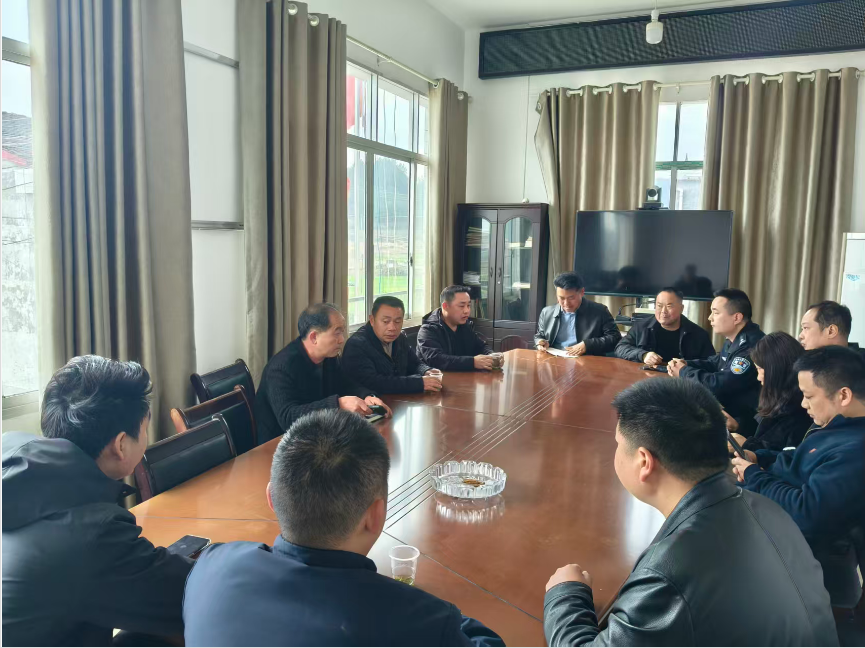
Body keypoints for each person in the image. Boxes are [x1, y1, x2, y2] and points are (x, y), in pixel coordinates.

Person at [543, 379, 837, 646]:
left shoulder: (669, 573)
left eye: (618, 444)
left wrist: (566, 594)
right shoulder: (768, 508)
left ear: (644, 462)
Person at [182, 409, 505, 647]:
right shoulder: (414, 621)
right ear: (376, 515)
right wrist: (438, 615)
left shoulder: (210, 564)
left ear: (271, 498)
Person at [2, 356, 193, 646]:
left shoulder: (14, 464)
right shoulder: (93, 532)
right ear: (120, 444)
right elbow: (189, 596)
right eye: (144, 429)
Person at [733, 346, 865, 611]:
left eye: (809, 396)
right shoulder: (833, 424)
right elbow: (797, 459)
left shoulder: (855, 450)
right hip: (774, 524)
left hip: (806, 564)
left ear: (843, 395)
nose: (803, 404)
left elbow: (807, 513)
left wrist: (754, 476)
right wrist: (758, 458)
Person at [254, 302, 392, 443]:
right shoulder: (281, 367)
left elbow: (346, 384)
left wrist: (367, 397)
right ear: (314, 337)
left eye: (342, 332)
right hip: (280, 446)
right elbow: (288, 418)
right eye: (337, 333)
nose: (342, 339)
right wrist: (338, 404)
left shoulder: (329, 357)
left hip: (319, 437)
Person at [668, 288, 765, 436]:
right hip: (727, 410)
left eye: (716, 313)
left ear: (737, 317)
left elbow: (719, 385)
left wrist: (683, 371)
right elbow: (716, 363)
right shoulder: (735, 338)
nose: (710, 318)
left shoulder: (751, 346)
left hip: (742, 424)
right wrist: (686, 364)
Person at [726, 331, 811, 453]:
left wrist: (747, 445)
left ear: (776, 369)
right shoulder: (777, 396)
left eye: (760, 369)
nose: (758, 377)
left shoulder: (801, 409)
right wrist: (737, 426)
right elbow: (761, 435)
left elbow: (785, 456)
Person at [342, 296, 442, 395]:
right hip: (373, 402)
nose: (392, 328)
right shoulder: (357, 345)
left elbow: (415, 363)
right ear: (372, 320)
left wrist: (426, 371)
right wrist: (419, 383)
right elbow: (373, 383)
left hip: (401, 400)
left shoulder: (400, 338)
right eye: (386, 321)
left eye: (397, 321)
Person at [614, 287, 715, 366]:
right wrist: (643, 355)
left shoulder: (699, 334)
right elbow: (620, 348)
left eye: (669, 306)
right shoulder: (641, 327)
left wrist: (687, 364)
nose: (663, 311)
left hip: (681, 381)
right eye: (659, 306)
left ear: (681, 308)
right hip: (647, 378)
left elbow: (712, 363)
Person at [535, 271, 621, 356]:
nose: (566, 303)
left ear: (582, 292)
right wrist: (540, 342)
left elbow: (615, 338)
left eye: (571, 298)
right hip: (553, 358)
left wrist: (587, 345)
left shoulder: (600, 311)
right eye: (561, 298)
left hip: (586, 359)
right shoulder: (547, 312)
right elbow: (540, 335)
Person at [416, 286, 498, 371]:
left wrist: (491, 356)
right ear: (445, 306)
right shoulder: (428, 329)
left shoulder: (465, 325)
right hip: (437, 377)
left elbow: (480, 345)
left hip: (463, 376)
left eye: (468, 305)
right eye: (461, 306)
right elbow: (436, 359)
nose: (467, 311)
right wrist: (473, 362)